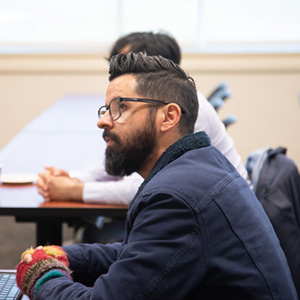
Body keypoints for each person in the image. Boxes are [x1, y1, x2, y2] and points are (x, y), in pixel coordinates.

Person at [17, 52, 297, 299]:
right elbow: (136, 254)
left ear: (168, 116)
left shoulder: (177, 198)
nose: (102, 120)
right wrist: (66, 254)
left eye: (121, 107)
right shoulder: (200, 164)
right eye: (106, 109)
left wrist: (43, 276)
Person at [36, 32, 249, 208]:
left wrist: (75, 191)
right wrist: (77, 179)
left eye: (130, 65)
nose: (119, 74)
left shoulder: (185, 110)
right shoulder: (165, 104)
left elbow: (142, 187)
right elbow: (128, 150)